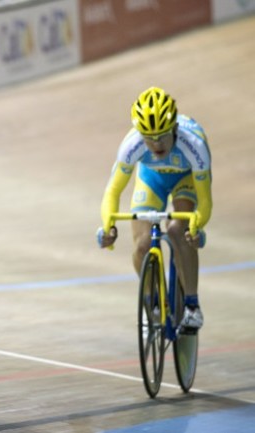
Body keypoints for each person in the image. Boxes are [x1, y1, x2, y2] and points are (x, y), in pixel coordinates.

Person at [98, 86, 212, 331]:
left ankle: (192, 306)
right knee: (141, 245)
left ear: (174, 129)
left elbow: (205, 200)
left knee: (177, 229)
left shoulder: (194, 144)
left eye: (162, 135)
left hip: (185, 177)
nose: (156, 143)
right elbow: (112, 191)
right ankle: (154, 303)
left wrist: (197, 225)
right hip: (152, 179)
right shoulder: (132, 145)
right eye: (149, 137)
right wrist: (107, 226)